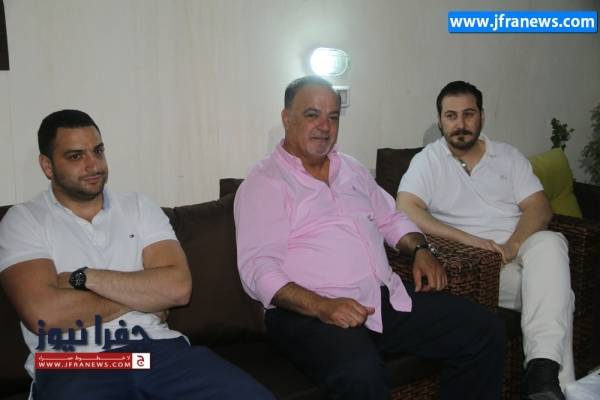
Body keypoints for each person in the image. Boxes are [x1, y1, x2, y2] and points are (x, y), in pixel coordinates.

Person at [234, 75, 505, 400]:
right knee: (361, 375)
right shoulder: (264, 183)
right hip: (308, 312)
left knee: (484, 330)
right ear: (286, 118)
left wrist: (420, 249)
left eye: (333, 117)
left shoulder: (351, 169)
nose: (324, 126)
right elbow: (258, 269)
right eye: (312, 115)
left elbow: (391, 218)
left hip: (380, 297)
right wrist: (322, 306)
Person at [0, 110, 274, 400]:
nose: (93, 165)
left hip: (153, 352)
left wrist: (85, 278)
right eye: (76, 156)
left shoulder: (138, 207)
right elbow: (44, 314)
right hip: (72, 361)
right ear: (47, 165)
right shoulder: (24, 220)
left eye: (98, 151)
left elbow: (177, 288)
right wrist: (142, 298)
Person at [397, 81, 574, 400]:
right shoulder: (428, 161)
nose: (460, 124)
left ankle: (543, 378)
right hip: (480, 268)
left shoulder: (508, 156)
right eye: (451, 116)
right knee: (560, 297)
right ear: (440, 120)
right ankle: (545, 381)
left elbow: (539, 207)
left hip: (520, 249)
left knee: (551, 242)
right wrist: (470, 241)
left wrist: (512, 246)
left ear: (482, 116)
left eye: (468, 114)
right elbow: (406, 207)